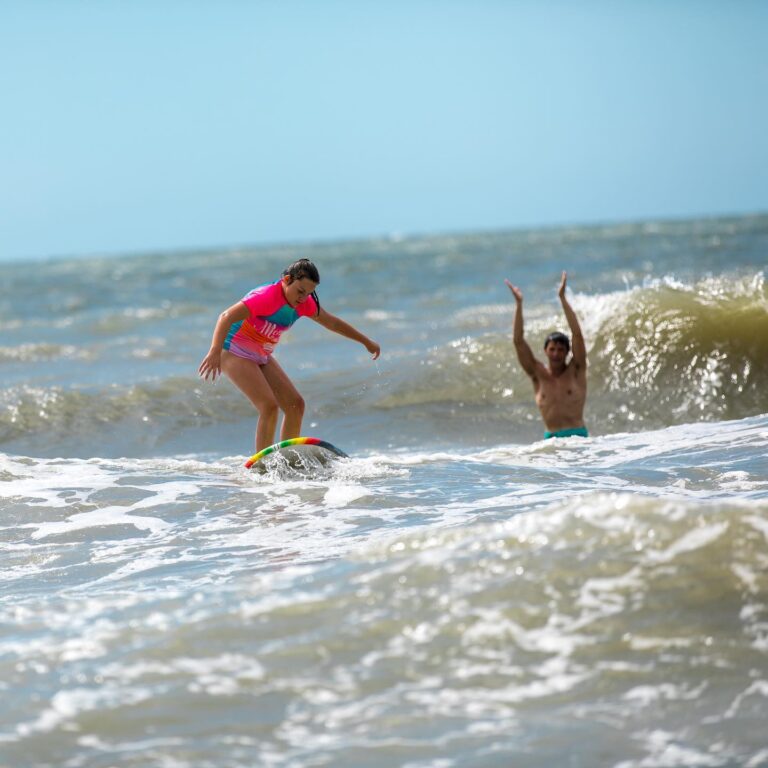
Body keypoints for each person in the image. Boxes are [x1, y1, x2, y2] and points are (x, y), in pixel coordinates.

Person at [198, 258, 380, 452]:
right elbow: (226, 316)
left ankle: (287, 459)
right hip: (234, 351)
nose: (303, 298)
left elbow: (332, 323)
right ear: (286, 279)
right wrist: (215, 350)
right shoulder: (265, 297)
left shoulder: (304, 303)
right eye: (300, 291)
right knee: (269, 406)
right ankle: (262, 466)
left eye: (309, 293)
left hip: (261, 354)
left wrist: (366, 342)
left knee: (296, 405)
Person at [504, 271, 588, 439]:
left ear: (567, 352)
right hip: (551, 441)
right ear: (545, 351)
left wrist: (562, 299)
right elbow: (518, 341)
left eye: (560, 349)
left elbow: (577, 335)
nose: (556, 353)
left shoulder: (576, 369)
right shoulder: (537, 373)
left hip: (578, 438)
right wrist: (519, 304)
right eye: (552, 349)